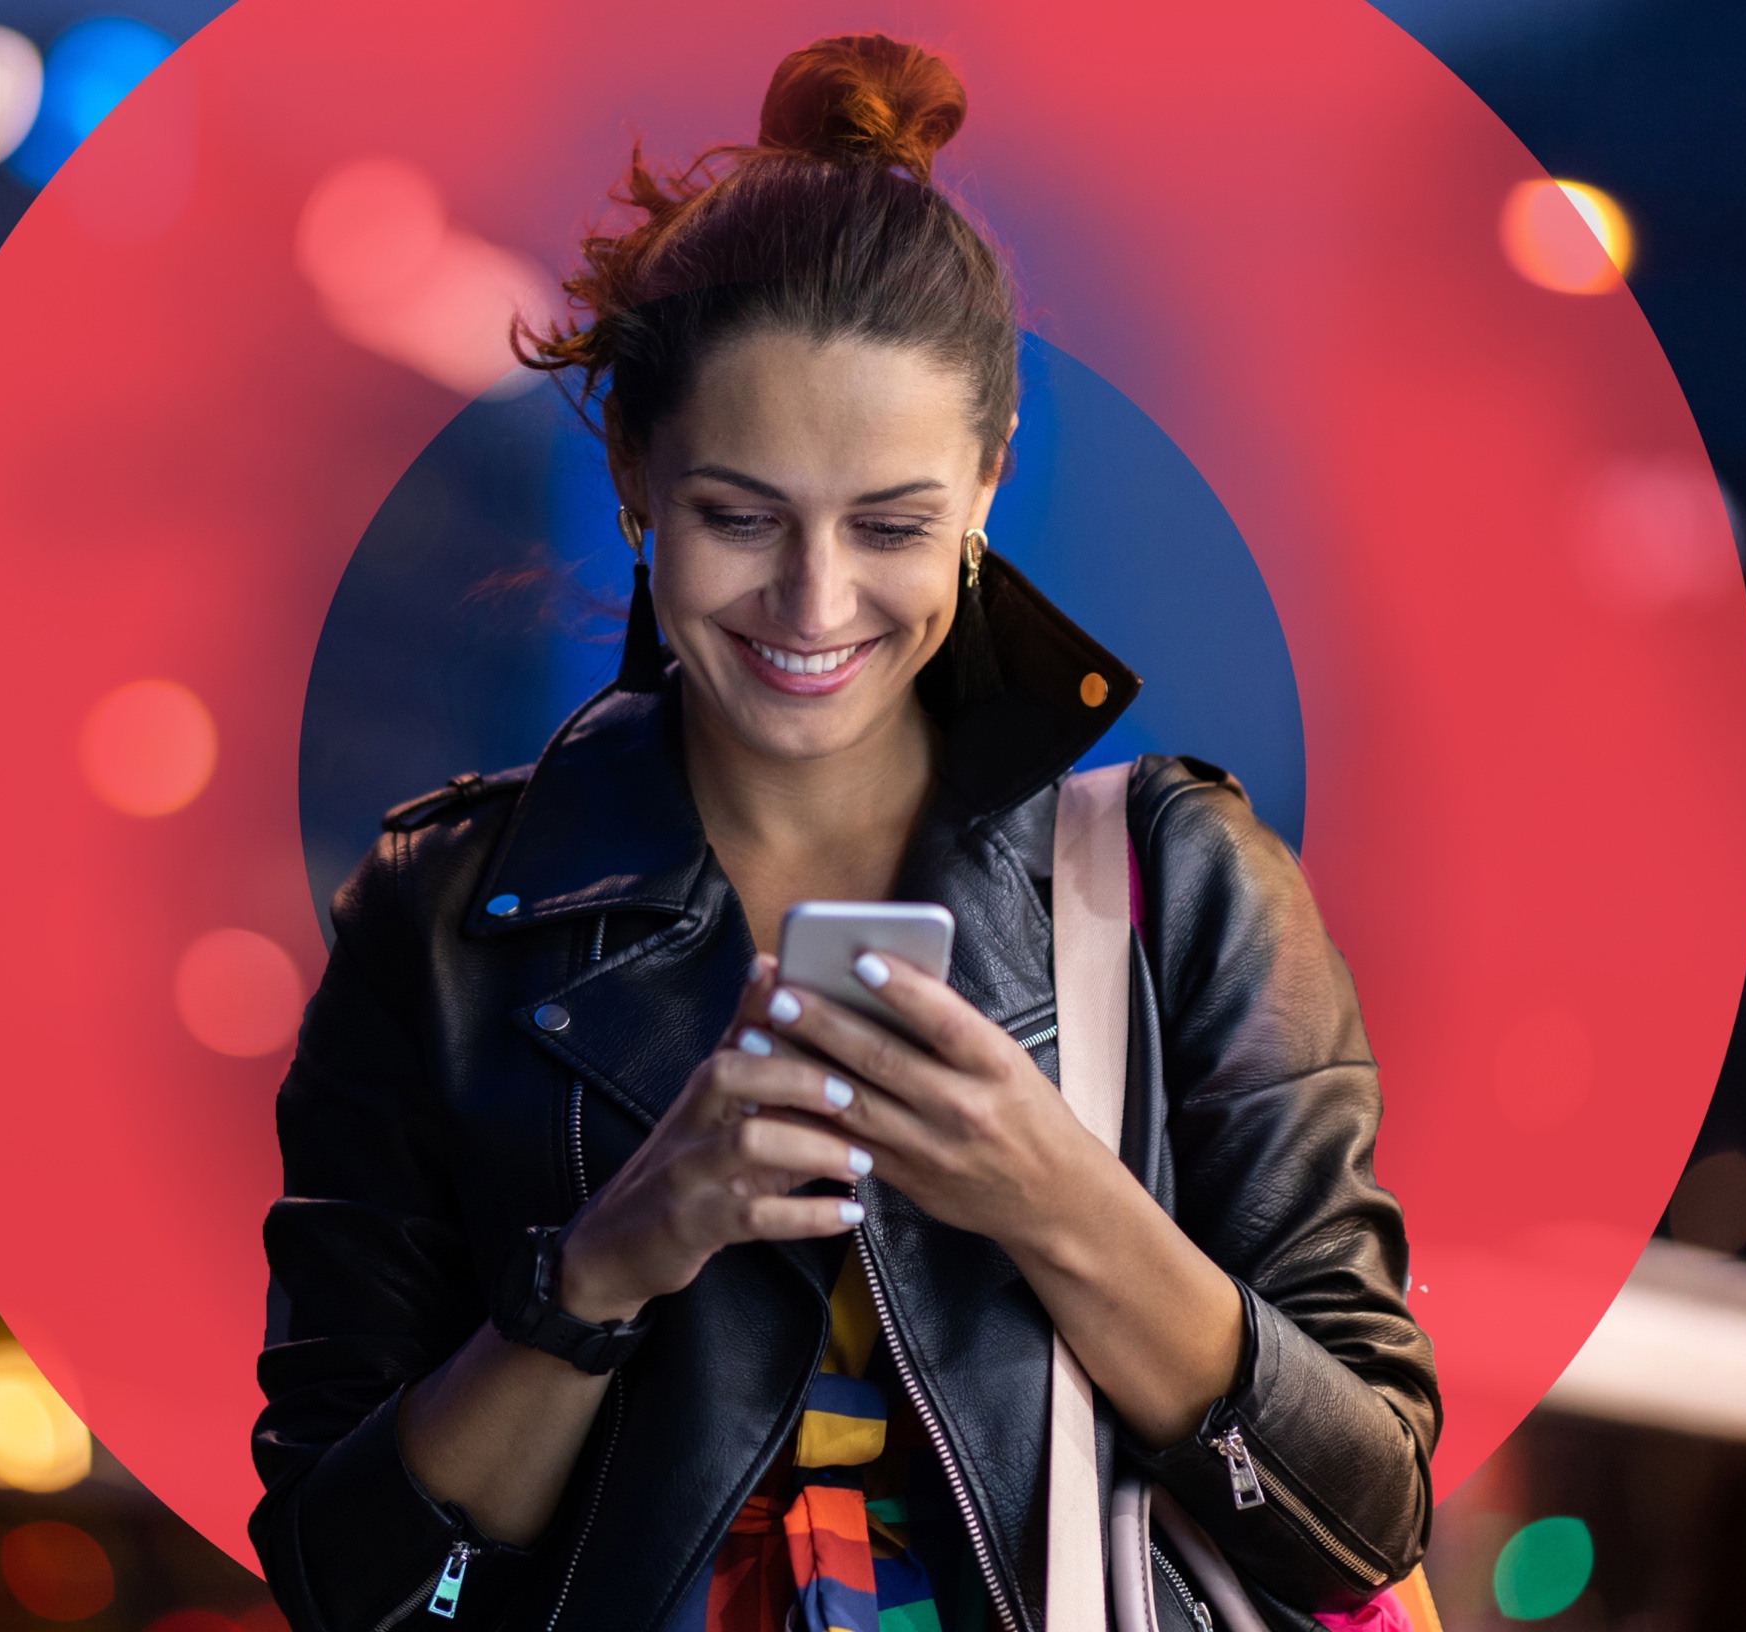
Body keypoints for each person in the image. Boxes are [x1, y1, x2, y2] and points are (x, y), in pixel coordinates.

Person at [250, 34, 1438, 1632]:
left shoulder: (1180, 891)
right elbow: (352, 1586)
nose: (814, 605)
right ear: (632, 483)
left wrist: (1054, 1194)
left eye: (892, 525)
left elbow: (1362, 1520)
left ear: (987, 492)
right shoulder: (447, 918)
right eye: (741, 518)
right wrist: (605, 1267)